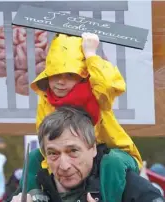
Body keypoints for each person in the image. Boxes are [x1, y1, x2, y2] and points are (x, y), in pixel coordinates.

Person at [29, 32, 142, 202]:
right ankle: (32, 195)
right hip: (74, 157)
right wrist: (52, 166)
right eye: (55, 74)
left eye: (70, 75)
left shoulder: (96, 92)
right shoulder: (47, 98)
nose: (60, 81)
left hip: (112, 153)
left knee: (113, 162)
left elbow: (110, 84)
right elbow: (45, 135)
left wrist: (90, 55)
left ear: (83, 75)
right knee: (34, 156)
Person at [10, 107, 164, 202]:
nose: (64, 166)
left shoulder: (121, 182)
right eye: (53, 153)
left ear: (93, 149)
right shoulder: (32, 185)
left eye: (73, 151)